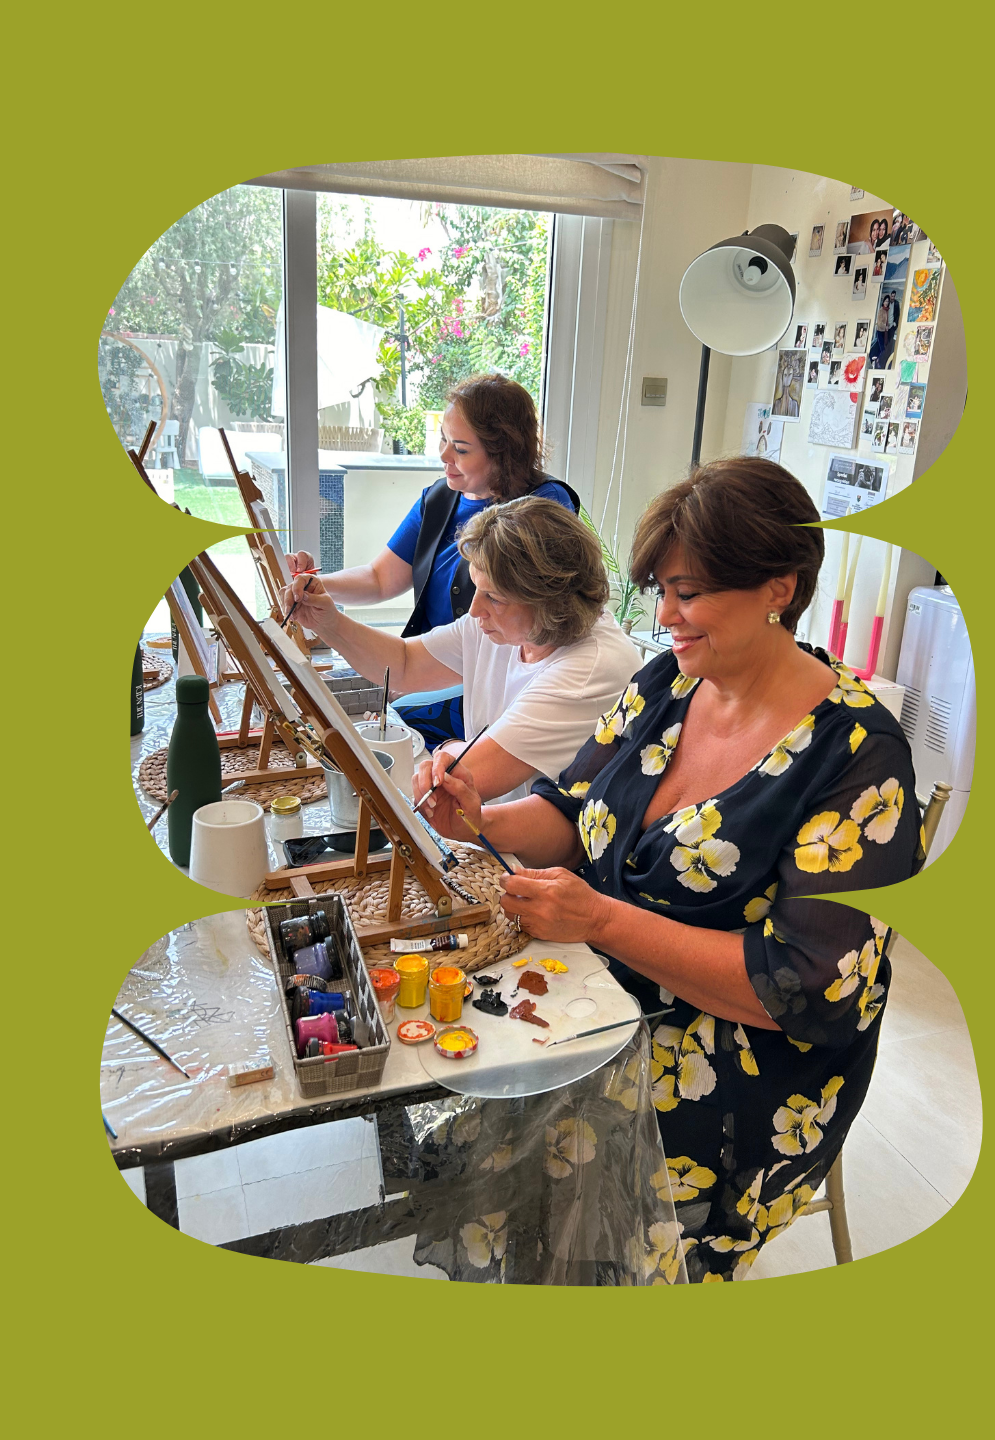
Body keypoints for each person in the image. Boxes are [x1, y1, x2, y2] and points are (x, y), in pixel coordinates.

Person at [418, 459, 922, 1281]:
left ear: (778, 588)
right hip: (609, 989)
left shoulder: (857, 758)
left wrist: (603, 921)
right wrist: (479, 816)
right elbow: (575, 814)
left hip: (742, 1067)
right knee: (464, 1046)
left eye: (687, 593)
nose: (665, 616)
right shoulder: (667, 682)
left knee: (541, 1129)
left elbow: (804, 988)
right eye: (659, 590)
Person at [281, 496, 641, 805]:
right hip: (488, 829)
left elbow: (462, 780)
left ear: (549, 602)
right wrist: (330, 624)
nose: (474, 610)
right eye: (477, 588)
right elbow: (404, 663)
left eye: (494, 598)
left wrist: (450, 750)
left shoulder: (591, 669)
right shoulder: (510, 625)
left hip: (544, 868)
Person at [285, 373, 578, 747]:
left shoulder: (543, 506)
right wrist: (314, 585)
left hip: (493, 682)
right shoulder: (439, 499)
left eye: (460, 448)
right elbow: (379, 578)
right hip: (434, 663)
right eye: (443, 438)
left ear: (503, 452)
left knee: (385, 725)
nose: (443, 456)